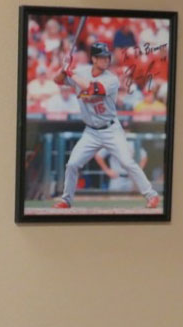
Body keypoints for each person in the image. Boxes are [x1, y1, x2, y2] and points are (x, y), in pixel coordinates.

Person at [51, 42, 160, 209]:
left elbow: (92, 88)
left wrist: (70, 72)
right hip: (91, 132)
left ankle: (151, 195)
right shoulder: (80, 72)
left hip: (111, 129)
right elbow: (57, 81)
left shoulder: (111, 79)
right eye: (101, 57)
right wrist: (63, 69)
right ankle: (67, 199)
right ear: (93, 58)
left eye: (107, 57)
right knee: (72, 164)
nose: (105, 60)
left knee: (127, 162)